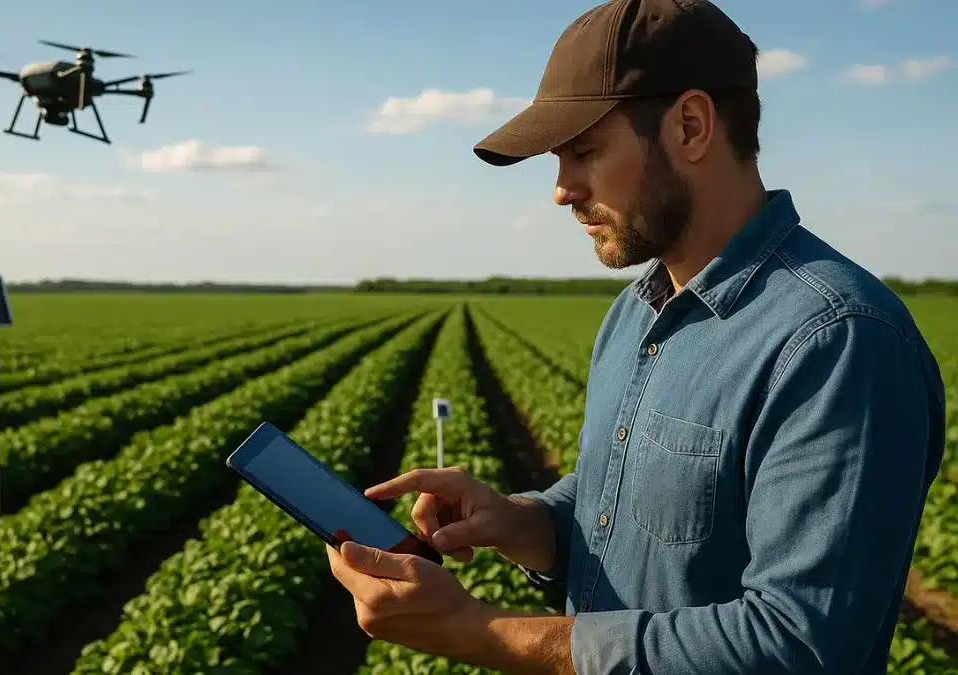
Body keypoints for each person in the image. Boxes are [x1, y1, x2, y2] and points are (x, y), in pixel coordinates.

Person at [324, 0, 947, 672]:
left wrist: (482, 631)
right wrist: (519, 521)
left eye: (584, 151)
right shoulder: (634, 314)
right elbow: (628, 507)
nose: (562, 190)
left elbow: (799, 647)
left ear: (690, 126)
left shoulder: (837, 341)